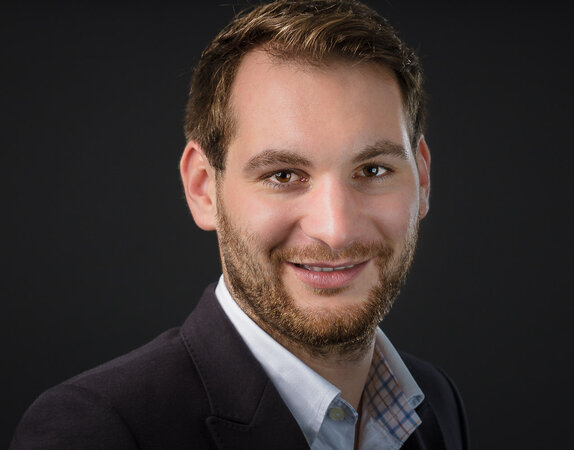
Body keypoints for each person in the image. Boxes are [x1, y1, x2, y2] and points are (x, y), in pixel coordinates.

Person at [11, 1, 469, 448]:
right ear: (203, 188)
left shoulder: (436, 401)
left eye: (373, 170)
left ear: (421, 178)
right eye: (283, 175)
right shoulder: (94, 430)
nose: (337, 230)